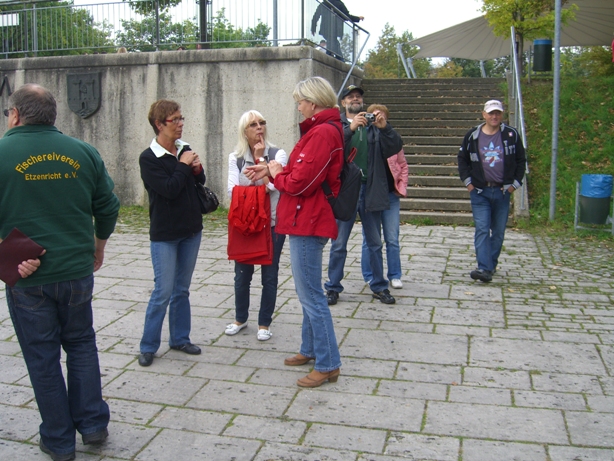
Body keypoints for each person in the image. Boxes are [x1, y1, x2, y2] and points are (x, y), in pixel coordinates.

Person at [0, 84, 120, 461]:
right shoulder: (83, 151)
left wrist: (9, 256)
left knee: (43, 357)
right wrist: (98, 246)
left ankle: (58, 439)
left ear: (15, 115)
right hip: (77, 270)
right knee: (82, 344)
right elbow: (108, 206)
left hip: (29, 279)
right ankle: (93, 424)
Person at [245, 76, 343, 388]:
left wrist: (275, 172)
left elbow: (301, 183)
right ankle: (310, 349)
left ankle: (328, 363)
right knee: (308, 292)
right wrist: (271, 169)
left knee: (311, 295)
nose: (298, 107)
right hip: (306, 218)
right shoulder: (321, 130)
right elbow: (301, 172)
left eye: (300, 101)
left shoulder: (322, 133)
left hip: (308, 220)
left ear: (312, 102)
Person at [138, 99, 204, 367]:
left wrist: (196, 169)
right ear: (159, 124)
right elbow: (168, 189)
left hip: (191, 230)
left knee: (181, 290)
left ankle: (180, 338)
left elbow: (197, 183)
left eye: (181, 118)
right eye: (174, 120)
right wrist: (184, 165)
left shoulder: (184, 149)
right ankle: (148, 346)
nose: (180, 124)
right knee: (162, 291)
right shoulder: (148, 157)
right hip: (165, 234)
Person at [324, 85, 404, 306]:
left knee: (375, 242)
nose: (355, 99)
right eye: (350, 97)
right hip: (346, 191)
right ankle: (332, 287)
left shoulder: (374, 126)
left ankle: (379, 286)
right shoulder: (337, 124)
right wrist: (350, 129)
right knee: (339, 242)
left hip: (371, 189)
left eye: (358, 96)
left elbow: (395, 147)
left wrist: (385, 128)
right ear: (343, 103)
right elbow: (330, 149)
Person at [225, 110, 288, 341]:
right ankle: (240, 318)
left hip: (272, 223)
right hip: (245, 224)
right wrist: (262, 183)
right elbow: (231, 191)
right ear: (245, 131)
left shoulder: (278, 154)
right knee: (242, 275)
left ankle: (264, 323)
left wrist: (261, 160)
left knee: (269, 276)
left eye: (262, 122)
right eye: (253, 124)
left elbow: (275, 186)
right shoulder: (236, 158)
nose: (259, 127)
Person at [457, 99, 526, 283]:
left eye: (498, 113)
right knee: (482, 228)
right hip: (480, 191)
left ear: (501, 115)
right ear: (484, 115)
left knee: (498, 232)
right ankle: (483, 268)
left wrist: (514, 185)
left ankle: (490, 265)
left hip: (502, 191)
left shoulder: (511, 135)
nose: (494, 116)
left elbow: (521, 160)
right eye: (491, 113)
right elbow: (462, 159)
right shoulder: (473, 135)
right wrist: (468, 182)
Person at [360, 104, 408, 290]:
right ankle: (370, 274)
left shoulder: (391, 136)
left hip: (390, 194)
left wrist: (401, 186)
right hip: (372, 192)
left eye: (382, 116)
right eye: (374, 115)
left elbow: (403, 164)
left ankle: (395, 275)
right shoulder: (365, 136)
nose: (377, 119)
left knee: (392, 238)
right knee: (370, 238)